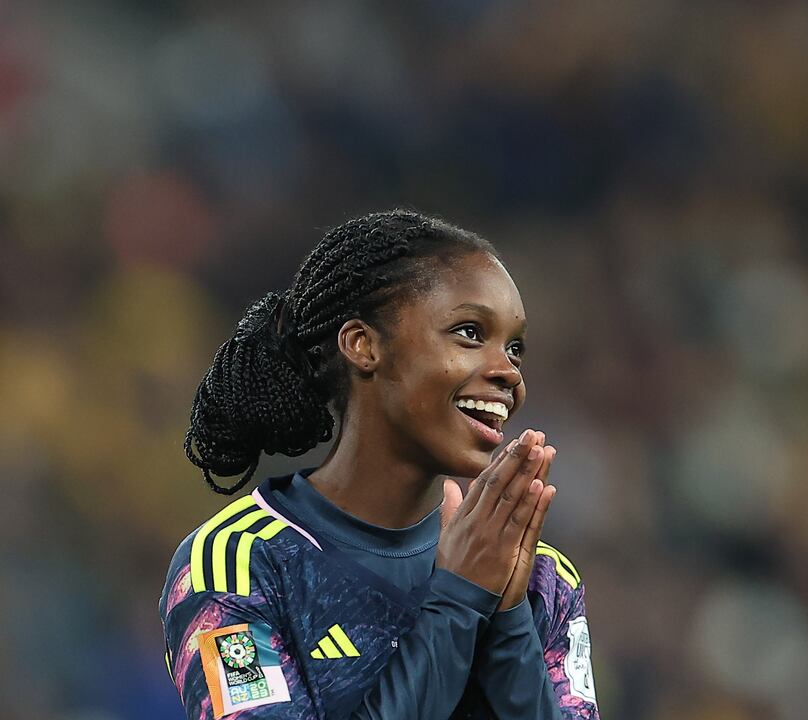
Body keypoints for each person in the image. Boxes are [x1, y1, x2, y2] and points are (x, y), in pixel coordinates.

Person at [159, 210, 599, 719]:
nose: (508, 373)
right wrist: (457, 602)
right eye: (470, 332)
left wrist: (508, 619)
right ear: (363, 345)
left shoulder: (540, 576)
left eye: (515, 348)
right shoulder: (238, 565)